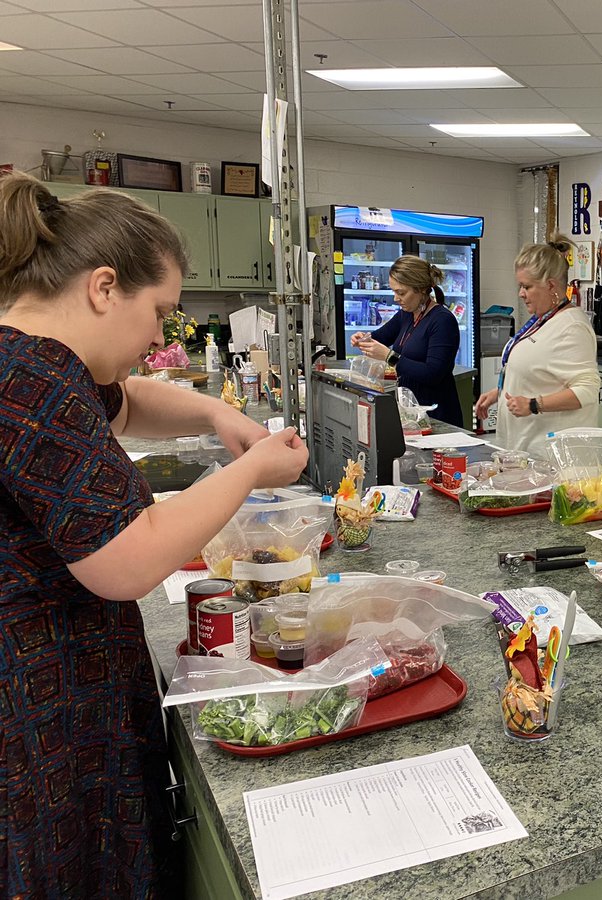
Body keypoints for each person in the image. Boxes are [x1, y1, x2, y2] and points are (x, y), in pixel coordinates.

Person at [0, 173, 309, 898]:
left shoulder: (43, 364)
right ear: (103, 287)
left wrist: (216, 417)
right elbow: (127, 561)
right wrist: (252, 469)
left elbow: (129, 400)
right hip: (41, 713)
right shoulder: (29, 381)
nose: (156, 339)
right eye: (160, 313)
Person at [473, 234, 600, 456]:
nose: (520, 294)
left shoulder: (571, 327)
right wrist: (500, 392)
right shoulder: (544, 319)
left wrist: (534, 404)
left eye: (526, 286)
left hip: (549, 453)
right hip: (523, 446)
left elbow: (587, 391)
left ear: (551, 285)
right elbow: (540, 371)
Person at [350, 255, 462, 426]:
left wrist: (389, 356)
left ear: (422, 289)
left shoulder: (442, 320)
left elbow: (433, 374)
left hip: (436, 415)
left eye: (401, 293)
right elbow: (380, 337)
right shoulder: (407, 314)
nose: (396, 298)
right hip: (411, 412)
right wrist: (363, 338)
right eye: (394, 291)